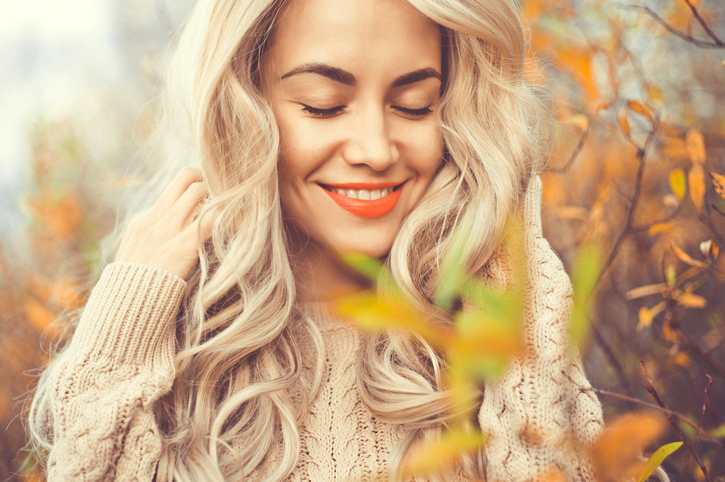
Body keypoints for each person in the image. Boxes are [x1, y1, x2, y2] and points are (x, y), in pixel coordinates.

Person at [28, 0, 606, 480]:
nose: (375, 150)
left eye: (414, 105)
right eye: (323, 106)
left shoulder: (482, 326)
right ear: (243, 109)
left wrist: (520, 285)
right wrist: (122, 328)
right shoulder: (178, 350)